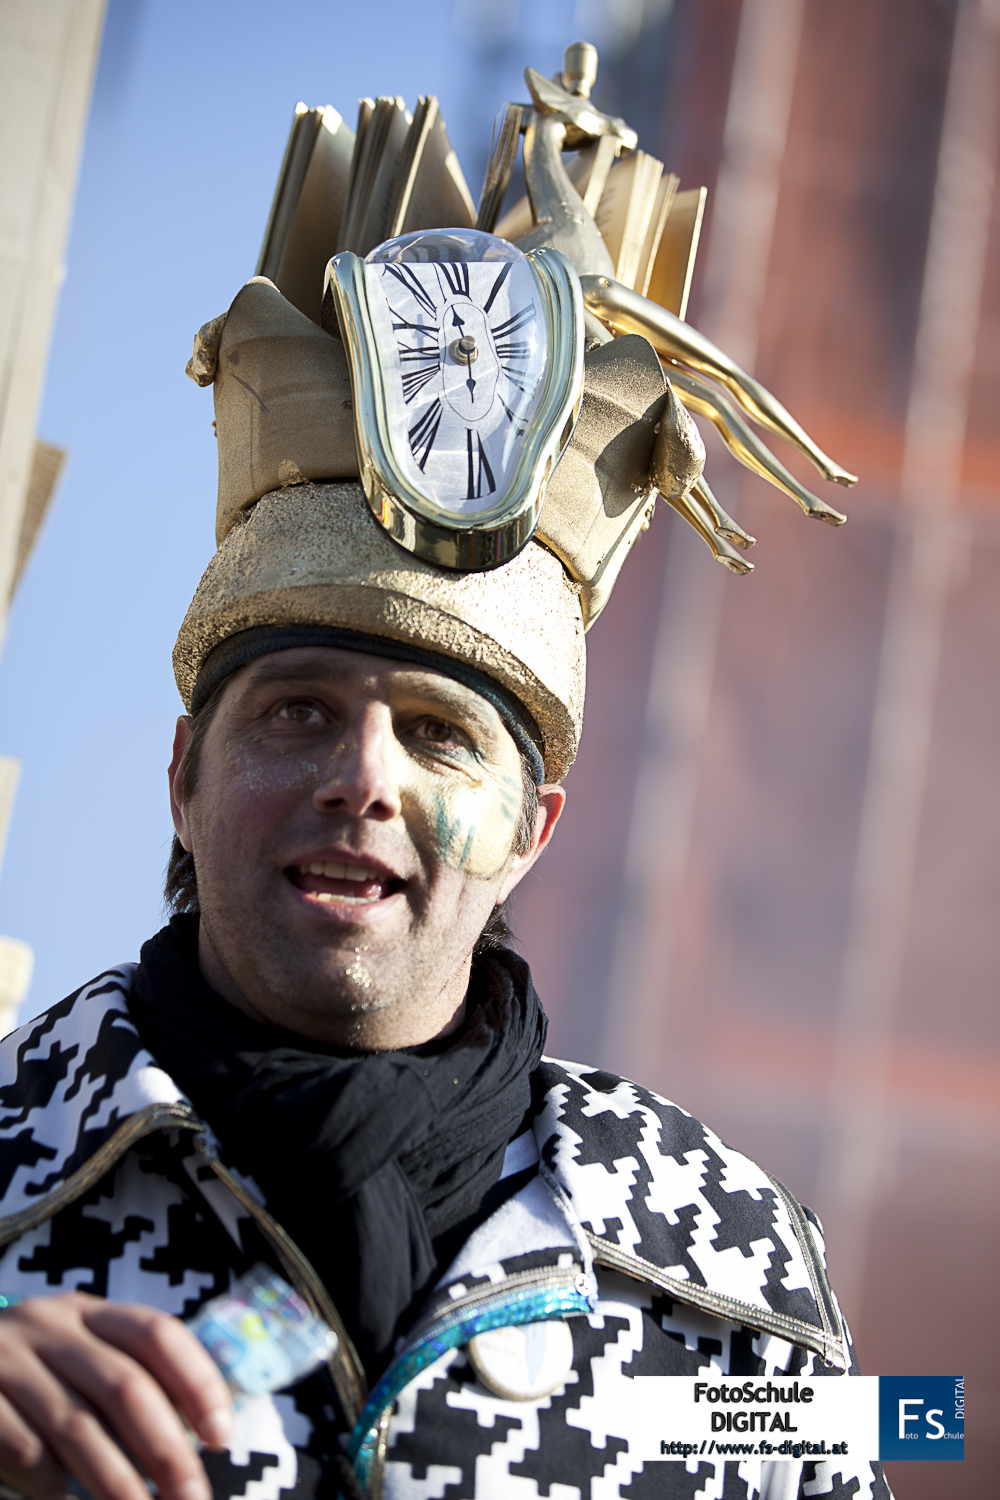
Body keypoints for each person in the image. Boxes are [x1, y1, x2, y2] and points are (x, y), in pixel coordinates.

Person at [0, 42, 889, 1500]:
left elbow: (905, 1439)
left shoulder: (726, 1250)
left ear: (534, 827)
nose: (363, 778)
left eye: (439, 733)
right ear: (181, 778)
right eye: (295, 711)